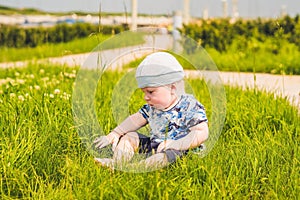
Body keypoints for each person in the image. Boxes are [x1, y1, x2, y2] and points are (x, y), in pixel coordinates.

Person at [93, 52, 208, 169]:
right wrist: (116, 133)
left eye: (151, 92)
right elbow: (136, 119)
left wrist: (177, 144)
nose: (145, 97)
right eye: (144, 92)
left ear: (172, 88)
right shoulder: (152, 107)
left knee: (163, 157)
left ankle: (137, 168)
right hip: (156, 144)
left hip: (181, 150)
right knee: (130, 136)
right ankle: (117, 162)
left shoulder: (189, 106)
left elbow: (201, 132)